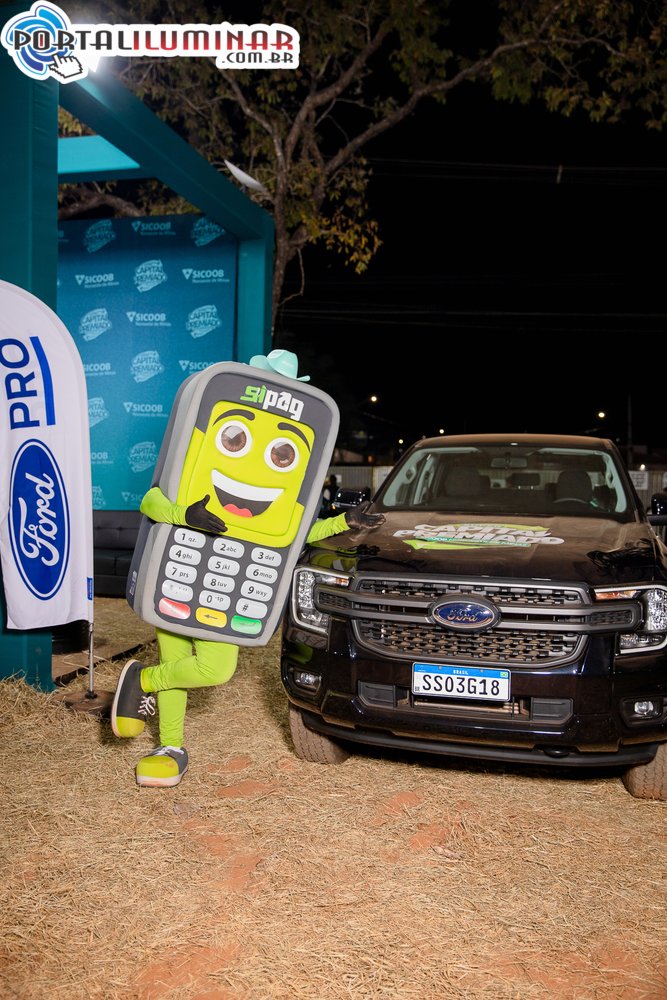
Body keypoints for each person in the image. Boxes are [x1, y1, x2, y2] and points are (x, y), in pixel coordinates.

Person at [110, 351, 385, 788]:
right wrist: (185, 515)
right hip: (176, 568)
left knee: (215, 669)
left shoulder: (285, 497)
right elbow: (151, 501)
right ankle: (170, 746)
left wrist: (345, 522)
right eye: (236, 438)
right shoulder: (195, 456)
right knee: (176, 660)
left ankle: (143, 680)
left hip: (229, 585)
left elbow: (299, 534)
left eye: (282, 452)